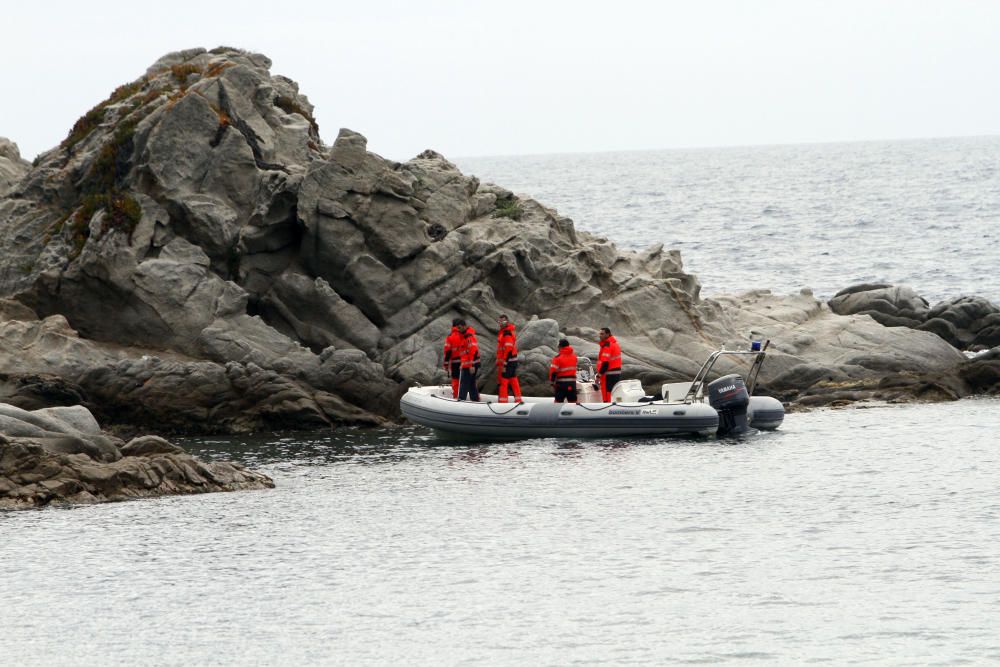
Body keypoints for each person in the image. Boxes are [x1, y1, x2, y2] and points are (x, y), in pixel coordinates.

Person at [496, 314, 523, 403]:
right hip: (511, 361)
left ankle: (503, 403)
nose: (501, 323)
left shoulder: (507, 333)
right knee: (513, 380)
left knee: (504, 382)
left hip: (508, 362)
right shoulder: (504, 332)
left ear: (507, 321)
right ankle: (518, 400)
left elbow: (508, 350)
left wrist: (504, 364)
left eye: (503, 321)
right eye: (499, 321)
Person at [597, 327, 622, 402]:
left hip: (609, 374)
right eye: (600, 334)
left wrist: (599, 374)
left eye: (602, 334)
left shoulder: (607, 345)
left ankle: (608, 407)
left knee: (608, 392)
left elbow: (605, 363)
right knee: (614, 392)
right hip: (616, 373)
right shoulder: (615, 344)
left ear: (607, 334)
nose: (600, 335)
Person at [549, 338, 578, 403]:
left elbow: (553, 371)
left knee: (558, 403)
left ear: (560, 346)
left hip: (561, 385)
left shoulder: (557, 358)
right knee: (573, 402)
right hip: (572, 384)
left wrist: (552, 382)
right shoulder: (574, 357)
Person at [458, 323, 481, 401]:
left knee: (464, 383)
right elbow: (464, 354)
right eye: (458, 328)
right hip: (469, 364)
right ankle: (475, 399)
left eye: (460, 327)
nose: (459, 329)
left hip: (470, 365)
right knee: (471, 383)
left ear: (464, 326)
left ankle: (461, 399)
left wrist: (471, 365)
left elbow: (472, 351)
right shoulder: (464, 337)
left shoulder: (468, 337)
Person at [443, 318, 465, 398]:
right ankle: (473, 398)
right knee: (466, 380)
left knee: (456, 381)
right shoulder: (464, 334)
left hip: (455, 363)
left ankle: (456, 397)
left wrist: (446, 365)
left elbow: (448, 352)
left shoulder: (450, 337)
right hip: (465, 362)